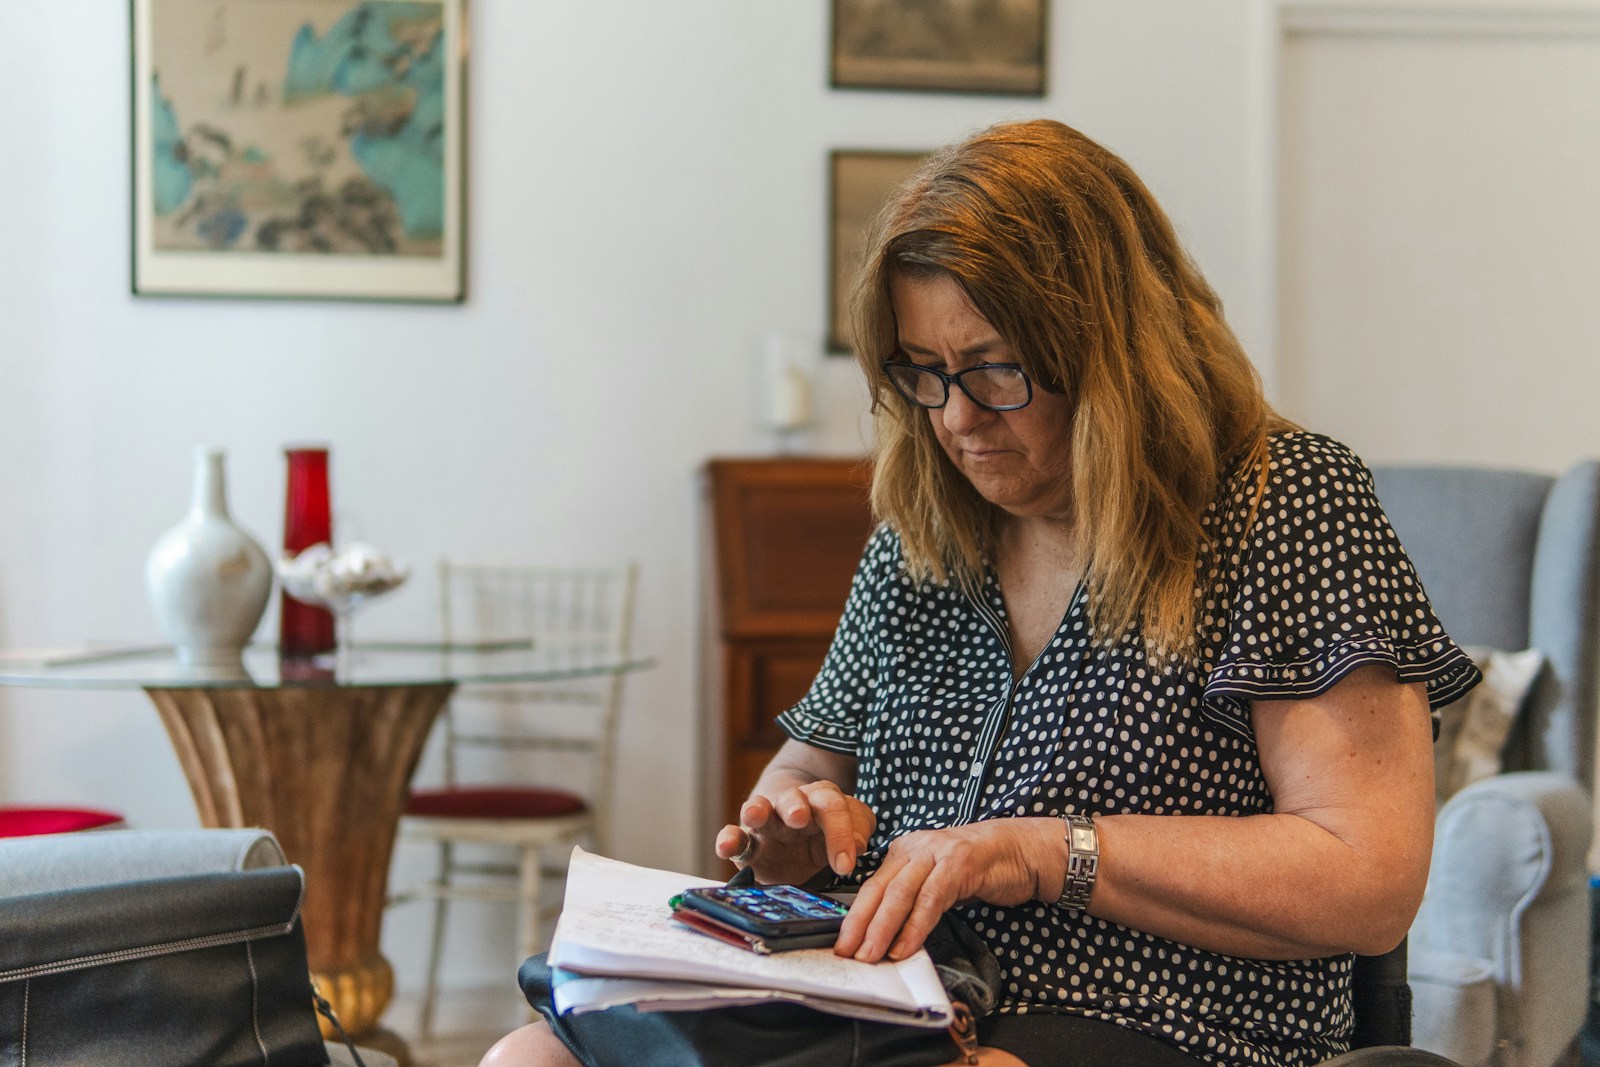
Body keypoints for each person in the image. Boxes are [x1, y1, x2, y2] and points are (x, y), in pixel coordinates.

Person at [481, 119, 1479, 1067]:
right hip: (891, 1003)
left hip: (1169, 1016)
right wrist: (785, 829)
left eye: (995, 367)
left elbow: (1365, 876)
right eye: (922, 370)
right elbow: (805, 764)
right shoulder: (921, 541)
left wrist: (1046, 851)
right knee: (530, 1051)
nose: (955, 416)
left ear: (1115, 353)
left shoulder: (1280, 500)